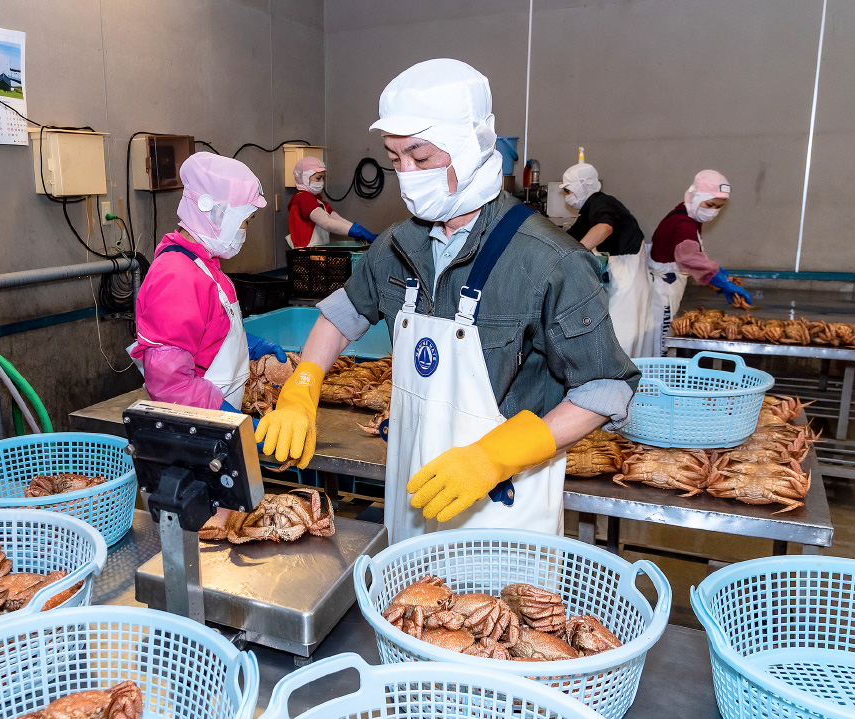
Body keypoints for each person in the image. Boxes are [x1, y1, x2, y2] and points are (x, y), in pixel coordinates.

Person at [256, 59, 640, 542]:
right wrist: (302, 387)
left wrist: (493, 456)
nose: (407, 174)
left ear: (470, 146)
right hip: (412, 495)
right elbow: (343, 314)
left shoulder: (549, 260)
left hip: (504, 508)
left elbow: (604, 388)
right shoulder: (397, 246)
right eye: (395, 160)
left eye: (420, 157)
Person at [129, 152, 286, 413]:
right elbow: (170, 385)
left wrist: (246, 344)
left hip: (209, 422)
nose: (245, 230)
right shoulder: (176, 275)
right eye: (245, 221)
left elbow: (202, 334)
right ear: (216, 215)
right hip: (197, 428)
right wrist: (231, 422)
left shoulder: (204, 264)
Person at [646, 169, 751, 356]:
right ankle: (654, 383)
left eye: (719, 207)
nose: (713, 211)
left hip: (668, 286)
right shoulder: (683, 224)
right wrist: (720, 281)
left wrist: (718, 276)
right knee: (660, 345)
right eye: (710, 204)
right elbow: (689, 258)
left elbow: (692, 257)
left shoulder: (688, 215)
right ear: (695, 197)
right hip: (662, 294)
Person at [561, 162, 653, 357]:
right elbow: (569, 238)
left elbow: (604, 228)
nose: (567, 196)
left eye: (568, 190)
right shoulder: (588, 211)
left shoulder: (602, 202)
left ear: (583, 185)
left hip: (629, 278)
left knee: (622, 340)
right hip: (620, 275)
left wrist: (575, 254)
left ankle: (624, 385)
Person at [286, 156, 377, 247]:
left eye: (323, 178)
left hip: (315, 252)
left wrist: (359, 230)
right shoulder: (304, 198)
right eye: (318, 178)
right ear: (303, 178)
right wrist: (356, 232)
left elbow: (336, 219)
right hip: (306, 253)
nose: (321, 182)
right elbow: (326, 222)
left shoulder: (316, 200)